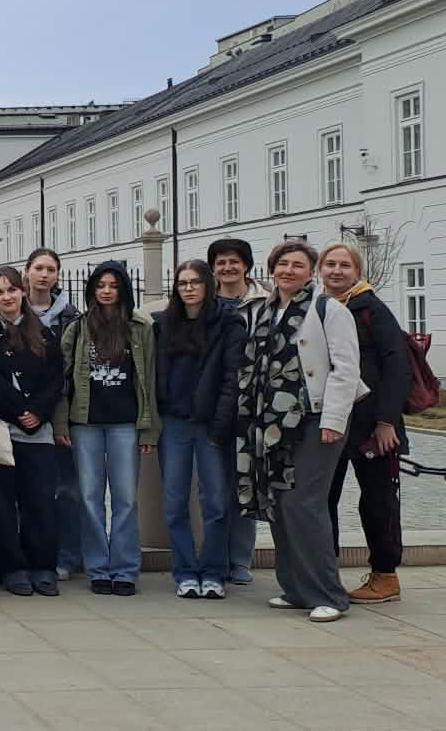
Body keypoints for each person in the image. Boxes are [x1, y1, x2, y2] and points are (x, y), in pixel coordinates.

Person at [237, 241, 362, 623]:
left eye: (298, 265)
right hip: (271, 424)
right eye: (282, 264)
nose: (289, 271)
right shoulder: (267, 311)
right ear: (272, 270)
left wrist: (333, 421)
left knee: (304, 503)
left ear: (312, 272)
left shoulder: (329, 310)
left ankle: (327, 593)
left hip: (314, 418)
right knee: (279, 501)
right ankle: (294, 586)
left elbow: (345, 369)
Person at [0, 267, 68, 597]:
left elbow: (56, 377)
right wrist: (17, 410)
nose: (6, 297)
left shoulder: (44, 333)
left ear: (22, 291)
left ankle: (43, 565)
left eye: (11, 290)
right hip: (3, 428)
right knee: (1, 504)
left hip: (37, 430)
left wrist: (38, 411)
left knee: (40, 501)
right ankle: (12, 566)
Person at [319, 241, 410, 605]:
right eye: (330, 264)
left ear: (357, 272)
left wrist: (387, 421)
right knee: (324, 500)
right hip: (334, 421)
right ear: (320, 269)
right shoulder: (320, 308)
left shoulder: (371, 308)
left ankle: (385, 575)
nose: (337, 271)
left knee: (378, 502)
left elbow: (396, 366)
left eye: (345, 265)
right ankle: (325, 572)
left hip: (374, 425)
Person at [60, 261, 159, 596]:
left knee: (126, 499)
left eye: (113, 285)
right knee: (89, 498)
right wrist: (62, 423)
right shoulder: (78, 326)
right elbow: (62, 379)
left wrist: (149, 429)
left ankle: (126, 569)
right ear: (92, 290)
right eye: (100, 285)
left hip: (125, 423)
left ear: (123, 290)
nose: (106, 291)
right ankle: (98, 568)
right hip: (84, 422)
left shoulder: (140, 327)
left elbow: (150, 380)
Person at [153, 260, 241, 598]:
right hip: (174, 423)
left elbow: (232, 376)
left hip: (211, 425)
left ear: (208, 285)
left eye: (195, 282)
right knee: (175, 502)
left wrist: (221, 422)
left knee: (217, 501)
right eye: (182, 283)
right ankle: (185, 571)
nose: (188, 288)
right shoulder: (163, 325)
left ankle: (214, 571)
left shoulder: (228, 323)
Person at [208, 236, 268, 585]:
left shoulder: (264, 302)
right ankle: (216, 558)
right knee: (216, 490)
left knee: (246, 486)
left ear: (246, 265)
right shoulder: (207, 305)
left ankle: (240, 559)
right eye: (221, 262)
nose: (228, 267)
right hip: (214, 407)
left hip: (252, 406)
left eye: (234, 261)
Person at [25, 248, 84, 582]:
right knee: (29, 491)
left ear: (58, 275)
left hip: (62, 414)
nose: (44, 274)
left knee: (68, 489)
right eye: (38, 268)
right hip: (20, 415)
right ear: (28, 272)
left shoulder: (72, 317)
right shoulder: (11, 313)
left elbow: (72, 371)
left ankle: (69, 555)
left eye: (50, 269)